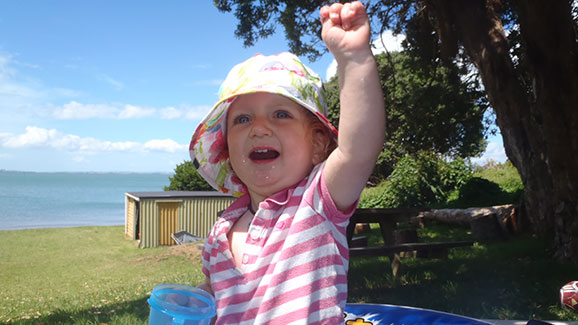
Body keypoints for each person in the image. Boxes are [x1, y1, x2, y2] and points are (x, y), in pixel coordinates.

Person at [188, 1, 385, 323]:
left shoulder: (317, 203)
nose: (259, 128)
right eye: (242, 119)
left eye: (281, 114)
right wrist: (198, 299)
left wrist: (354, 59)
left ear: (319, 144)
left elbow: (358, 149)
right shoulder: (221, 229)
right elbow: (215, 291)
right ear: (226, 150)